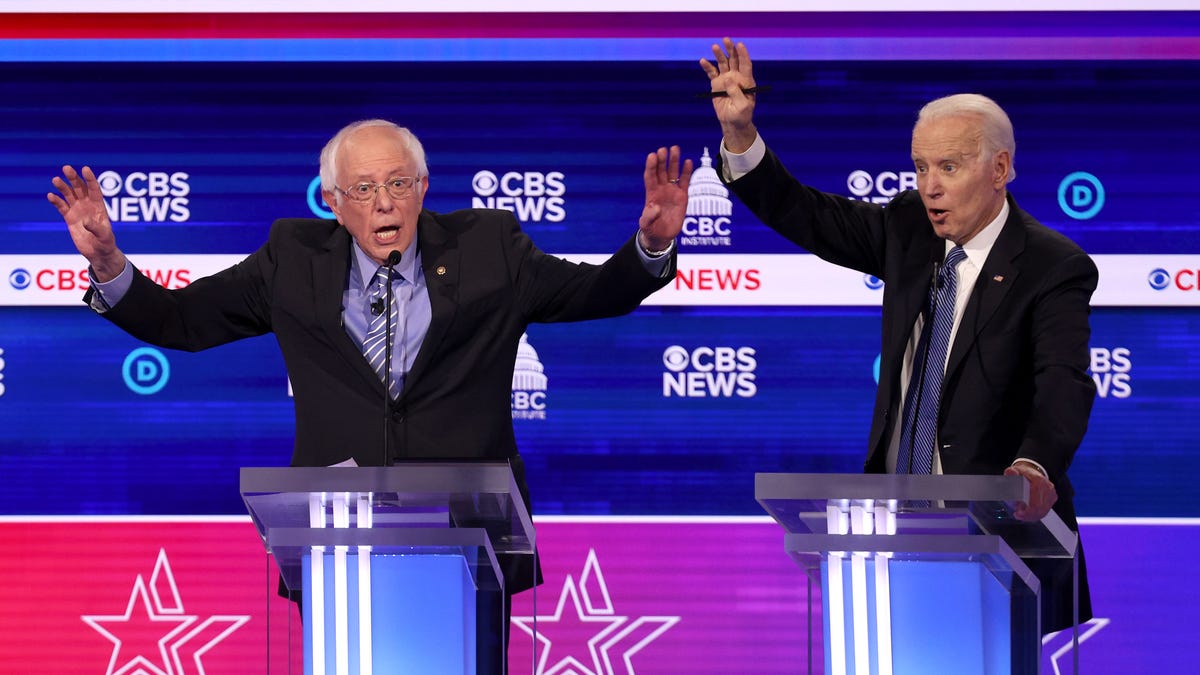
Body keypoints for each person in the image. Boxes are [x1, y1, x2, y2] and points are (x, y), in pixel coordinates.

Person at [48, 119, 693, 662]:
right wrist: (107, 264)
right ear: (331, 200)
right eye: (363, 188)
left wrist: (649, 247)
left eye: (398, 184)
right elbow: (181, 322)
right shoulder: (291, 260)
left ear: (423, 189)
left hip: (469, 541)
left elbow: (592, 294)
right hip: (338, 543)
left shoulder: (490, 249)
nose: (384, 203)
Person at [700, 39, 1096, 634]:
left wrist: (1033, 465)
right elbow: (807, 214)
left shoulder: (1051, 264)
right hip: (895, 536)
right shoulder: (909, 228)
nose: (929, 186)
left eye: (949, 167)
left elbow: (1062, 380)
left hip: (1000, 541)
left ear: (1000, 169)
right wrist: (740, 135)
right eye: (920, 167)